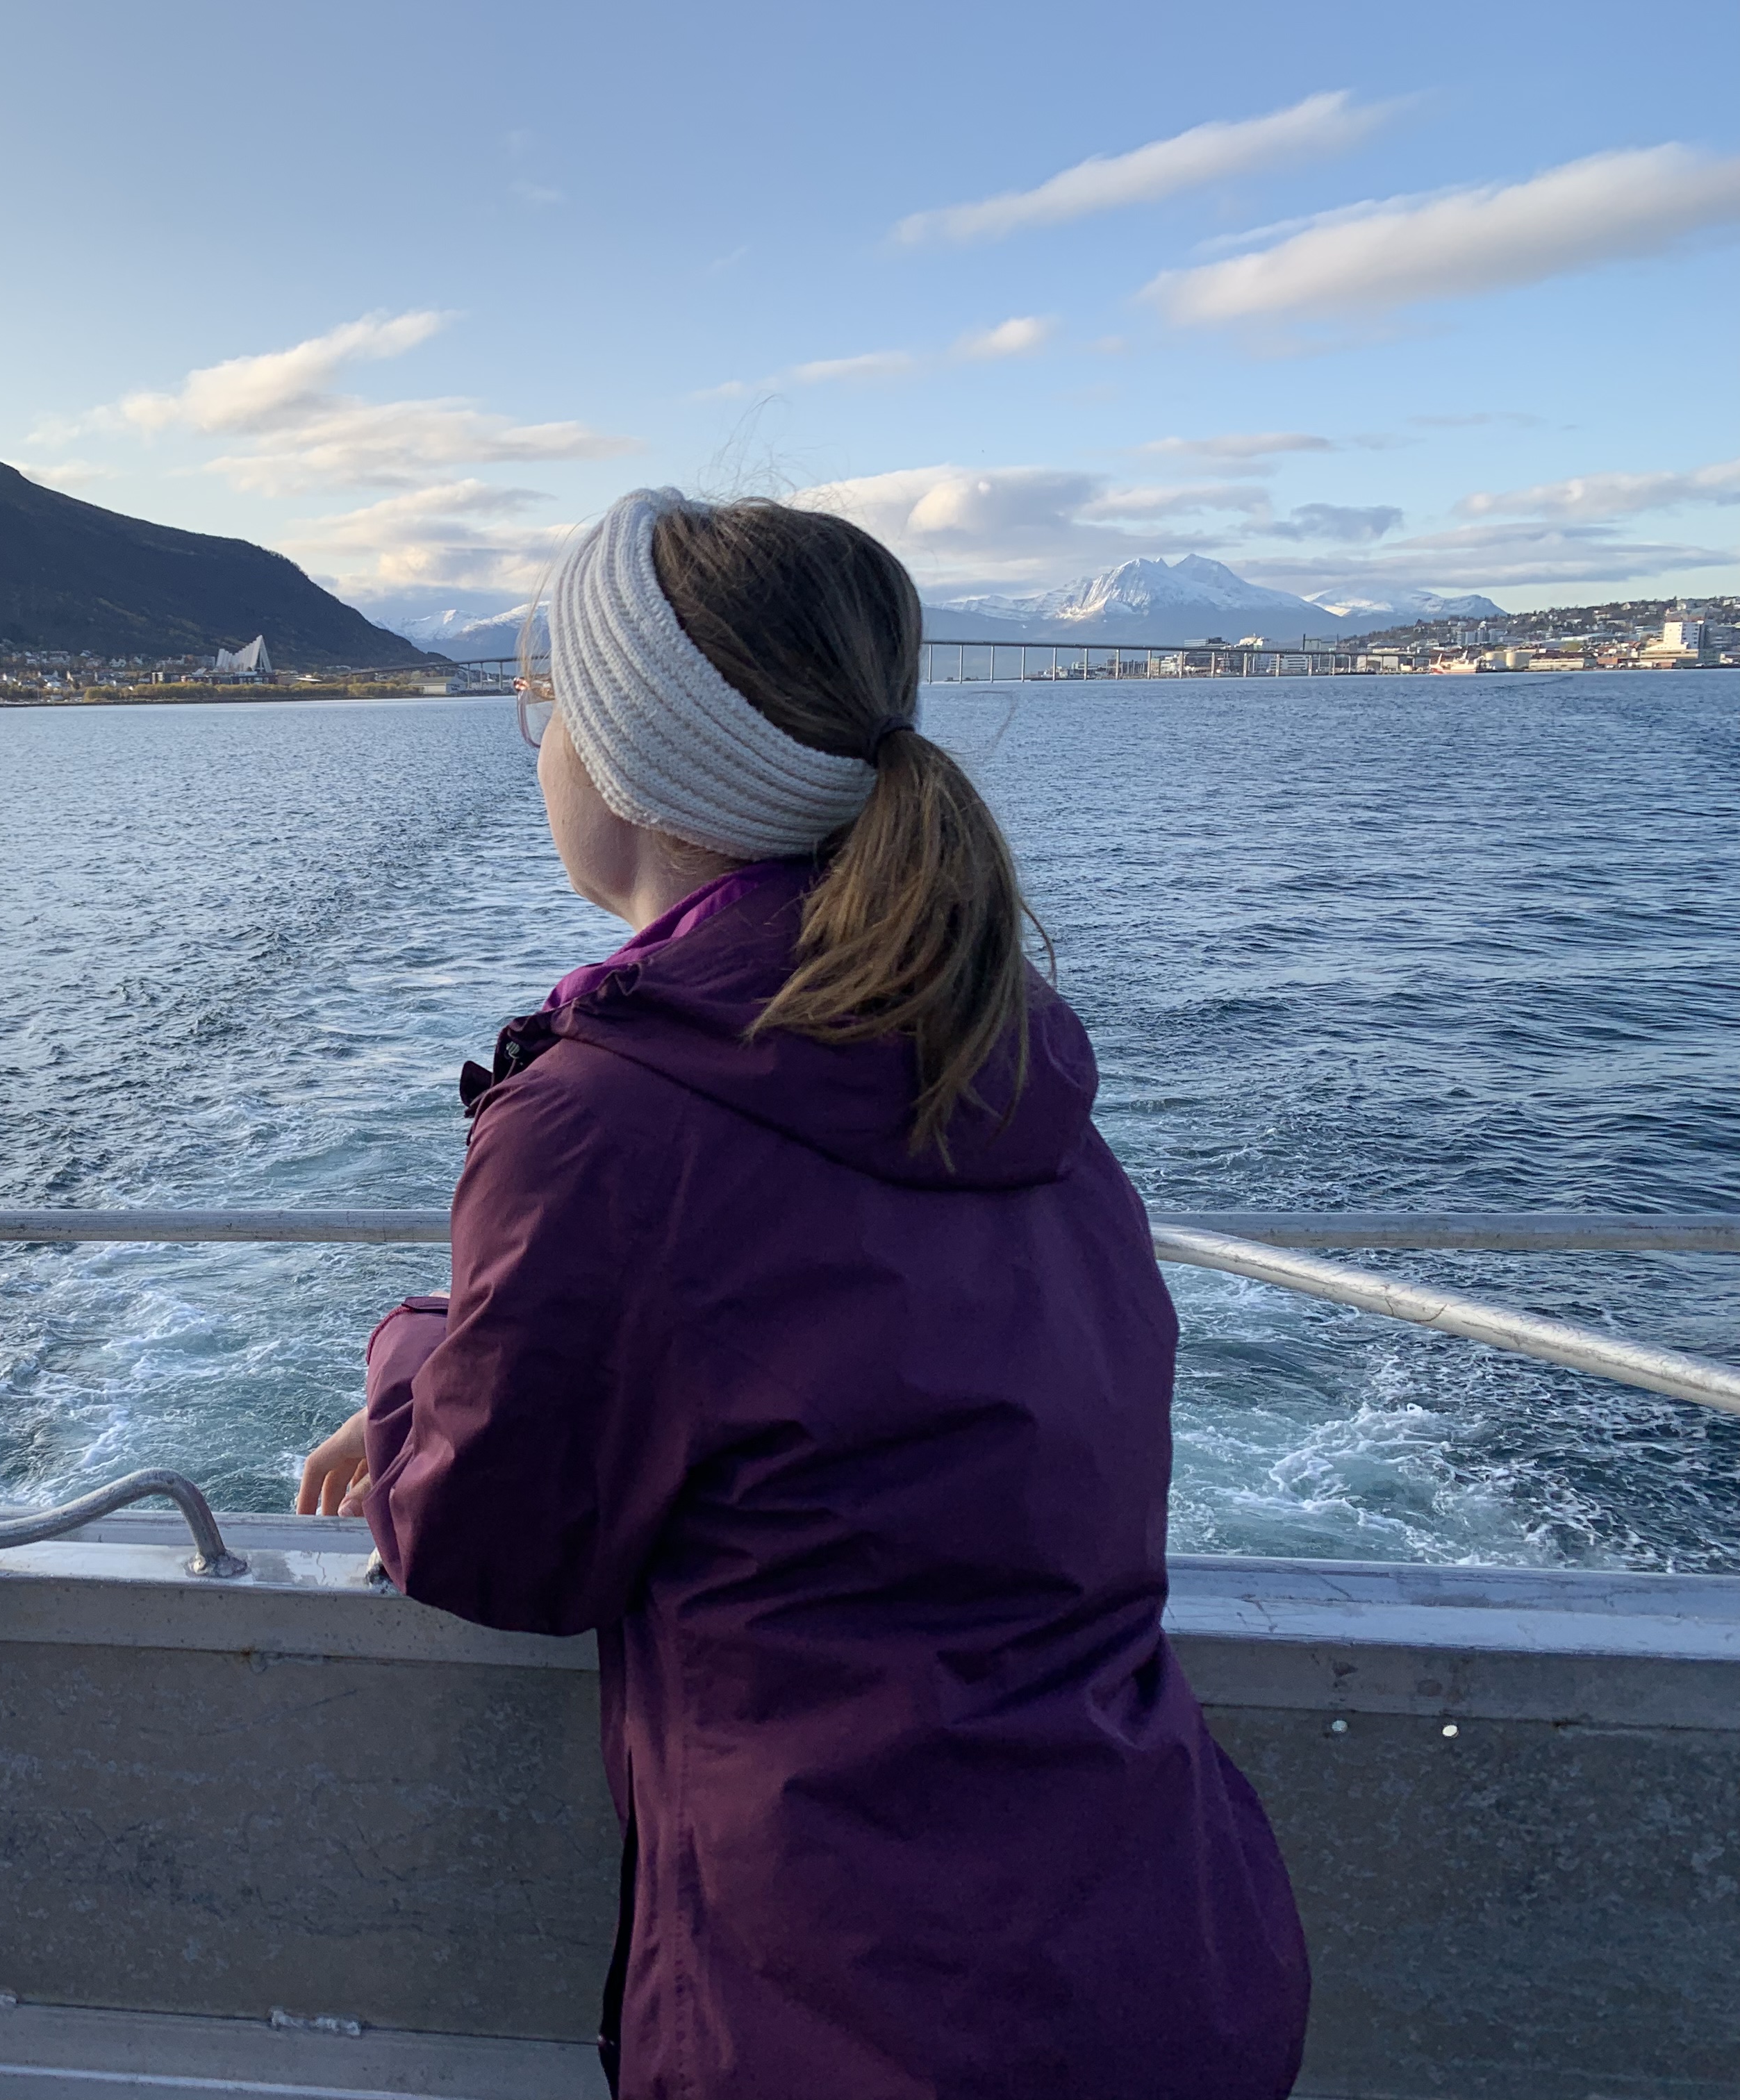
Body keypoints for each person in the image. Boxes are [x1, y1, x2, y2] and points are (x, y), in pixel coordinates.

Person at [297, 490, 1309, 2100]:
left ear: (628, 761)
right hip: (1168, 1954)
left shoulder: (607, 1123)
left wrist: (414, 1350)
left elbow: (495, 1539)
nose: (539, 746)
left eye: (547, 704)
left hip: (854, 2021)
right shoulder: (993, 1041)